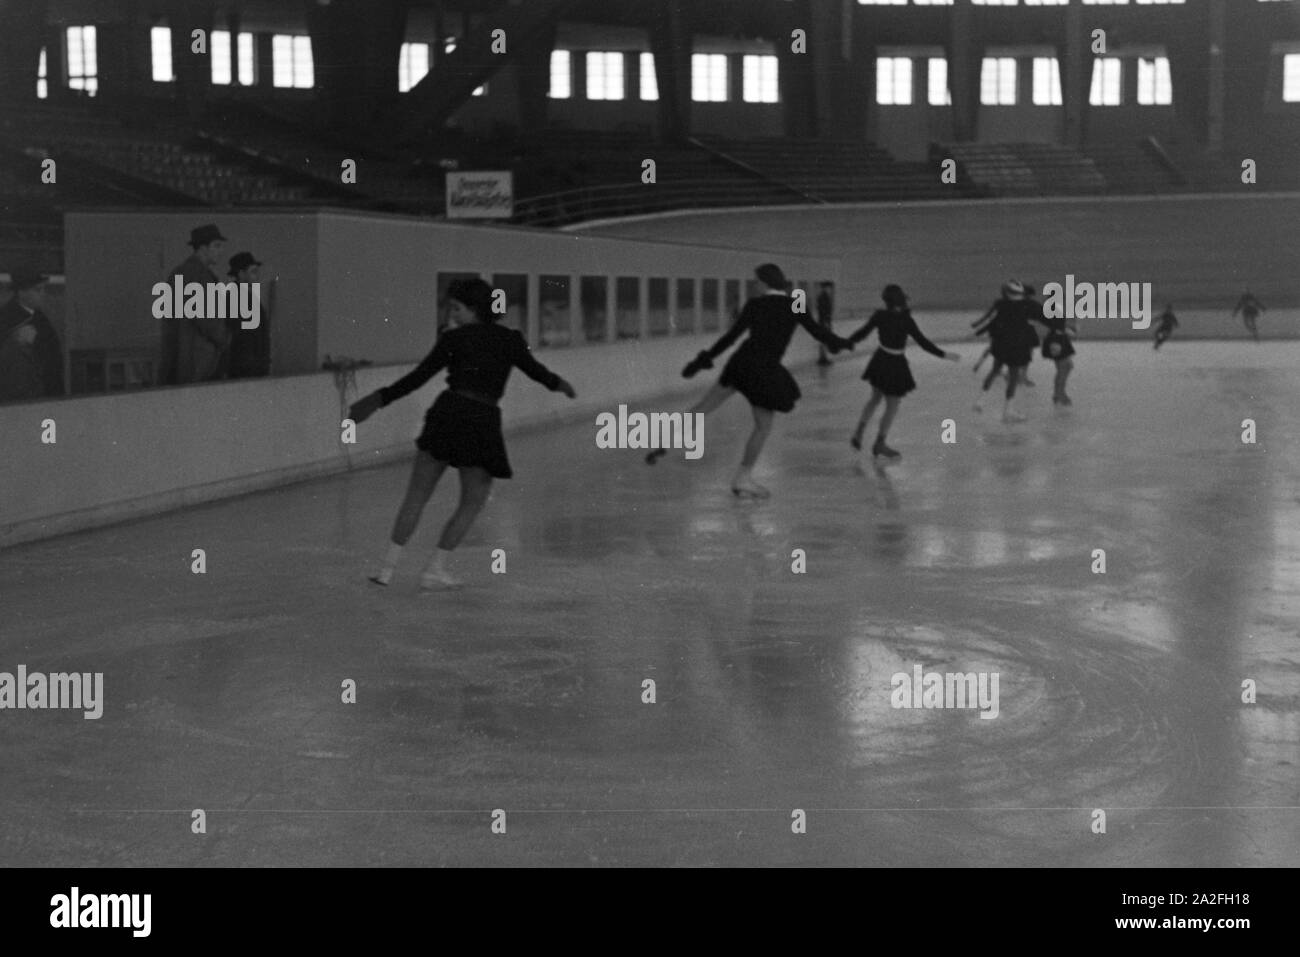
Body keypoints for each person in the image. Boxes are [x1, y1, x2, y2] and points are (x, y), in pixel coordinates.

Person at [348, 279, 577, 589]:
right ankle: (434, 570)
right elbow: (536, 371)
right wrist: (559, 384)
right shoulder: (510, 339)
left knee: (416, 495)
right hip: (481, 422)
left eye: (456, 308)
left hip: (446, 415)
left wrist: (378, 399)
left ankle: (386, 571)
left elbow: (417, 378)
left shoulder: (453, 339)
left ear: (474, 309)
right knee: (472, 502)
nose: (452, 315)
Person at [645, 264, 853, 497]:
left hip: (740, 365)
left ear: (765, 282)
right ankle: (742, 479)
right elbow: (817, 331)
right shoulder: (795, 304)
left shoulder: (755, 304)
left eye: (756, 281)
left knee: (704, 407)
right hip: (763, 372)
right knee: (763, 426)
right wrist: (840, 343)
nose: (754, 284)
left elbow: (730, 338)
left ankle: (664, 439)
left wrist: (702, 360)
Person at [846, 284, 959, 459]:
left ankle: (859, 432)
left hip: (880, 360)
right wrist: (944, 354)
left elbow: (862, 333)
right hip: (895, 364)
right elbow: (922, 342)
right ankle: (880, 443)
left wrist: (843, 343)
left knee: (875, 398)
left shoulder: (880, 316)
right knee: (892, 405)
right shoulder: (906, 320)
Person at [161, 223, 230, 384]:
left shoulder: (178, 272)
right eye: (216, 246)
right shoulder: (199, 275)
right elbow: (207, 319)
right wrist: (224, 338)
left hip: (178, 354)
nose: (220, 251)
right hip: (198, 357)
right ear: (203, 248)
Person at [973, 279, 1038, 423]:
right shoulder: (1024, 307)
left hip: (1000, 343)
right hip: (1015, 344)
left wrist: (978, 329)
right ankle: (1008, 411)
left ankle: (980, 400)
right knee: (1013, 375)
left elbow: (991, 320)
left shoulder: (1001, 304)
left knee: (995, 369)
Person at [0, 267, 64, 402]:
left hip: (45, 389)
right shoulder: (6, 318)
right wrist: (15, 341)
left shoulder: (41, 318)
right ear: (22, 292)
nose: (43, 294)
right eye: (37, 290)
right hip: (19, 394)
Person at [226, 251, 272, 378]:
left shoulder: (242, 297)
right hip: (247, 368)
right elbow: (243, 337)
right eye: (253, 271)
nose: (257, 276)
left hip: (249, 366)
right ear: (241, 274)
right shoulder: (238, 298)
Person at [1026, 283, 1073, 405]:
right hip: (1057, 340)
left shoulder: (1051, 308)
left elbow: (1053, 323)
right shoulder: (1053, 308)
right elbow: (1055, 324)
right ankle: (1059, 394)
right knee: (1064, 367)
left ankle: (1058, 393)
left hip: (1057, 338)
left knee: (1064, 367)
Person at [815, 282, 835, 367]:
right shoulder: (824, 296)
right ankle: (823, 359)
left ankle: (822, 358)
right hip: (824, 322)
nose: (830, 289)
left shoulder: (822, 296)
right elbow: (823, 311)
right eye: (829, 287)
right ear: (826, 287)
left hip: (822, 321)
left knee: (823, 341)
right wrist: (826, 322)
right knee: (824, 341)